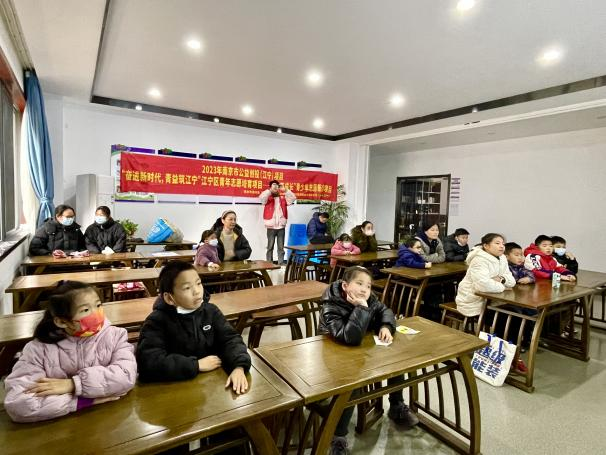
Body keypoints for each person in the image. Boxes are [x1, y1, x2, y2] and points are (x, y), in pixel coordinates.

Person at [318, 266, 418, 454]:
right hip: (334, 356)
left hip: (359, 351)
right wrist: (362, 308)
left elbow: (385, 310)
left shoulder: (368, 298)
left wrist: (386, 325)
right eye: (359, 283)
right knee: (353, 382)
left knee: (395, 363)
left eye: (368, 286)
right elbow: (350, 337)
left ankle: (396, 406)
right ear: (345, 285)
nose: (364, 290)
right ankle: (338, 436)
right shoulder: (331, 305)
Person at [3, 281, 137, 423]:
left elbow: (126, 376)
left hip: (110, 419)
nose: (97, 314)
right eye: (85, 310)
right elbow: (19, 404)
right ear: (61, 322)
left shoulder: (115, 336)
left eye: (98, 305)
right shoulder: (38, 350)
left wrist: (73, 384)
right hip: (58, 427)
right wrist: (82, 401)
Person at [136, 261, 250, 393]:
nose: (197, 291)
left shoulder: (210, 311)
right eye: (187, 288)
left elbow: (230, 339)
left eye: (198, 283)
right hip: (172, 389)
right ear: (169, 298)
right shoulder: (157, 321)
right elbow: (148, 361)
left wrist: (238, 366)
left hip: (210, 385)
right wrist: (195, 365)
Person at [455, 233, 516, 317]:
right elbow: (483, 285)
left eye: (503, 244)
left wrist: (502, 279)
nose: (502, 246)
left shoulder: (502, 258)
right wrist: (504, 287)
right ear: (486, 246)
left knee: (518, 311)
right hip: (473, 300)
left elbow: (512, 281)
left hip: (493, 298)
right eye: (497, 243)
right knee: (510, 315)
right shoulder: (479, 260)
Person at [259, 180, 296, 264]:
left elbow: (293, 198)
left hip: (281, 227)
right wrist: (269, 191)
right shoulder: (267, 198)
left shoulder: (283, 198)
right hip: (271, 227)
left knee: (281, 247)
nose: (276, 187)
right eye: (273, 185)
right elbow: (261, 198)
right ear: (270, 187)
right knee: (270, 247)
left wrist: (285, 190)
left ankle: (281, 263)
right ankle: (269, 263)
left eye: (277, 185)